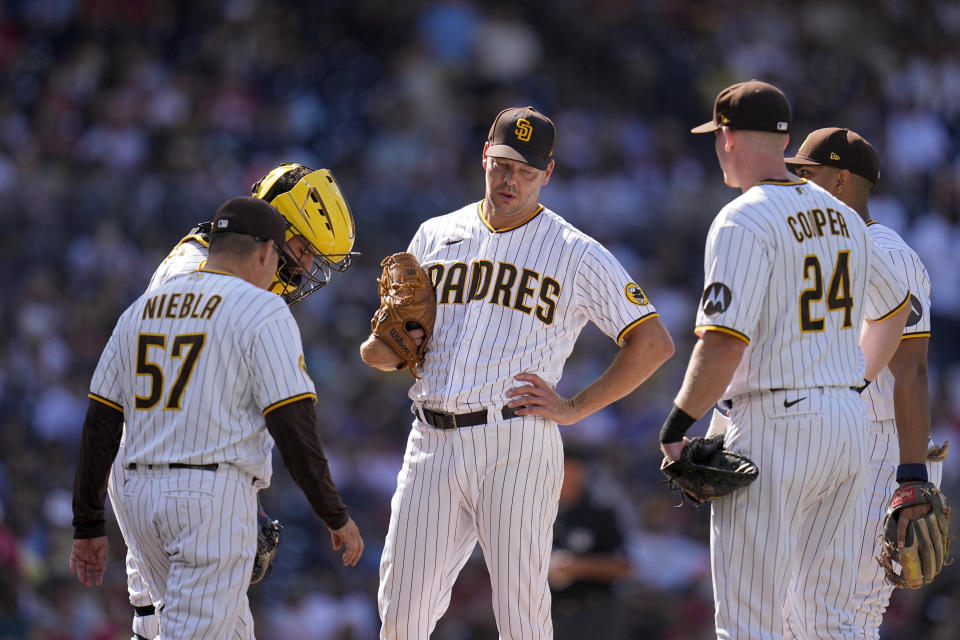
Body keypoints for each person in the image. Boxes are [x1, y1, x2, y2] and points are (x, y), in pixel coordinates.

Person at [360, 105, 675, 639]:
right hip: (431, 438)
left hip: (517, 441)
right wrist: (385, 347)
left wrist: (575, 407)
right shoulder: (436, 235)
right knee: (402, 612)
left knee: (520, 613)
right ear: (485, 155)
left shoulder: (575, 252)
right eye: (503, 164)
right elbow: (381, 352)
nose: (512, 179)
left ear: (547, 173)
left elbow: (653, 342)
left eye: (527, 170)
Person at [658, 81, 912, 639]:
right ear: (785, 139)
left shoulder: (741, 218)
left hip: (775, 425)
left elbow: (724, 340)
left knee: (750, 625)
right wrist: (853, 381)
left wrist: (678, 425)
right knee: (829, 619)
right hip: (848, 429)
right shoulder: (841, 214)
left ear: (726, 137)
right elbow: (897, 308)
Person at [70, 196, 364, 640]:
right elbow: (293, 427)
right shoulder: (261, 309)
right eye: (293, 254)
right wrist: (335, 514)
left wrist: (88, 521)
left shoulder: (142, 308)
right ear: (267, 251)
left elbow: (100, 422)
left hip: (141, 487)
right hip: (209, 495)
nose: (299, 272)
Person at [783, 128, 945, 638]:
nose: (798, 185)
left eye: (807, 174)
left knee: (837, 612)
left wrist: (912, 474)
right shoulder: (818, 252)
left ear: (842, 179)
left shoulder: (887, 254)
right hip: (827, 443)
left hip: (881, 447)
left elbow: (912, 369)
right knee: (792, 613)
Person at [550, 445, 632, 640]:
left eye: (570, 468)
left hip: (594, 614)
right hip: (548, 613)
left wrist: (579, 567)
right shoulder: (540, 513)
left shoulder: (600, 513)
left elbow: (624, 566)